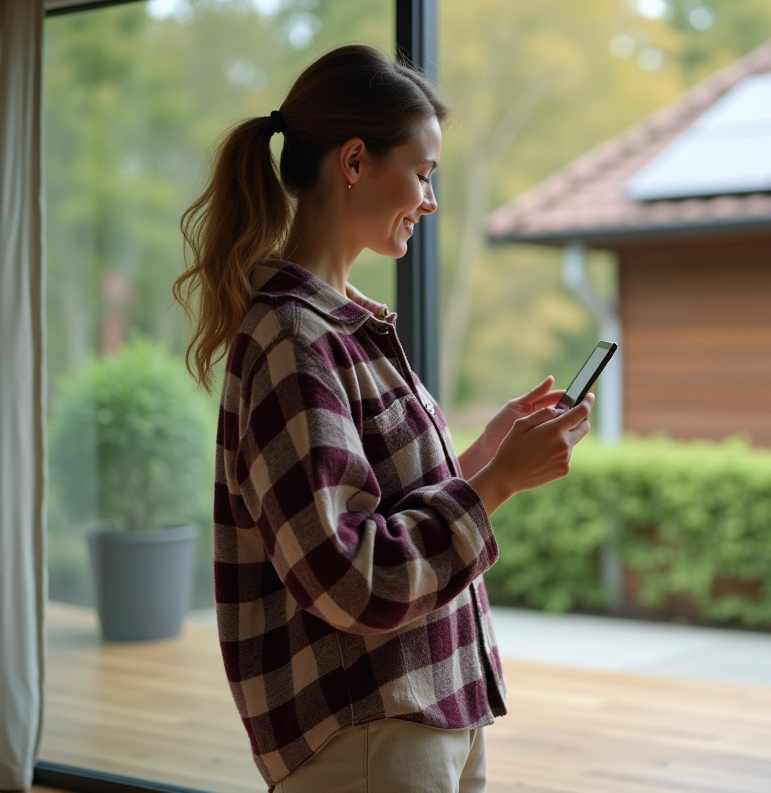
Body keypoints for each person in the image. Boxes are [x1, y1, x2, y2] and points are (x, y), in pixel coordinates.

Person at [172, 44, 592, 793]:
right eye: (424, 173)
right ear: (356, 162)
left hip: (420, 717)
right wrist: (491, 487)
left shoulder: (335, 330)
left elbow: (376, 513)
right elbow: (349, 577)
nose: (430, 200)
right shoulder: (294, 341)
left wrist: (483, 460)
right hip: (369, 738)